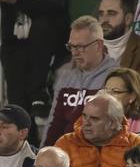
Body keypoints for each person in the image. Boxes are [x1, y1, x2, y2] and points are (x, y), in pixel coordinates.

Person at [43, 15, 120, 146]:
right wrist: (44, 152)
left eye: (81, 47)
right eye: (72, 47)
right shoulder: (65, 75)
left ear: (99, 45)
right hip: (63, 151)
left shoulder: (114, 77)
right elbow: (53, 123)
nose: (75, 53)